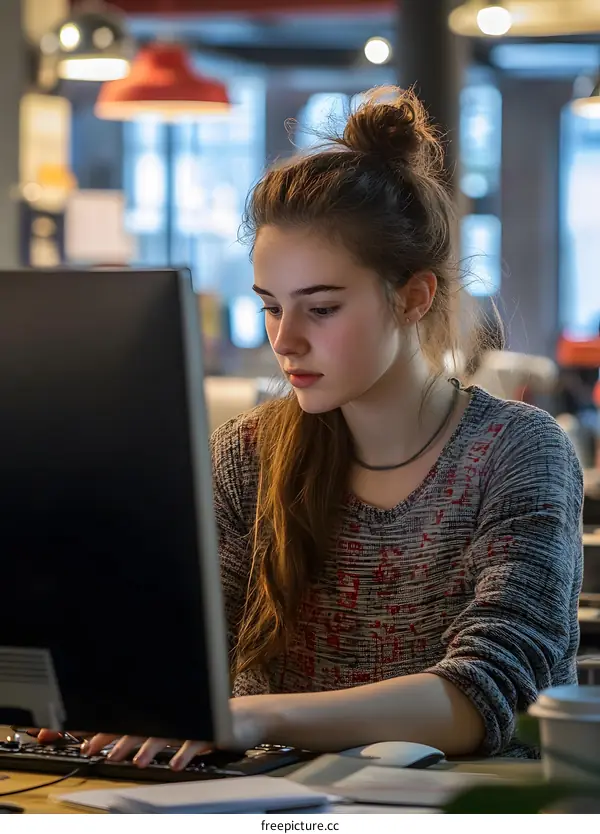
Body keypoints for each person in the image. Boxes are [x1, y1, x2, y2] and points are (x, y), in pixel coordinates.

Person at [36, 87, 583, 770]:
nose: (285, 341)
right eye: (270, 308)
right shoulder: (247, 454)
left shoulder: (517, 451)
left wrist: (243, 717)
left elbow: (493, 692)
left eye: (320, 309)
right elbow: (182, 659)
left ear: (415, 296)